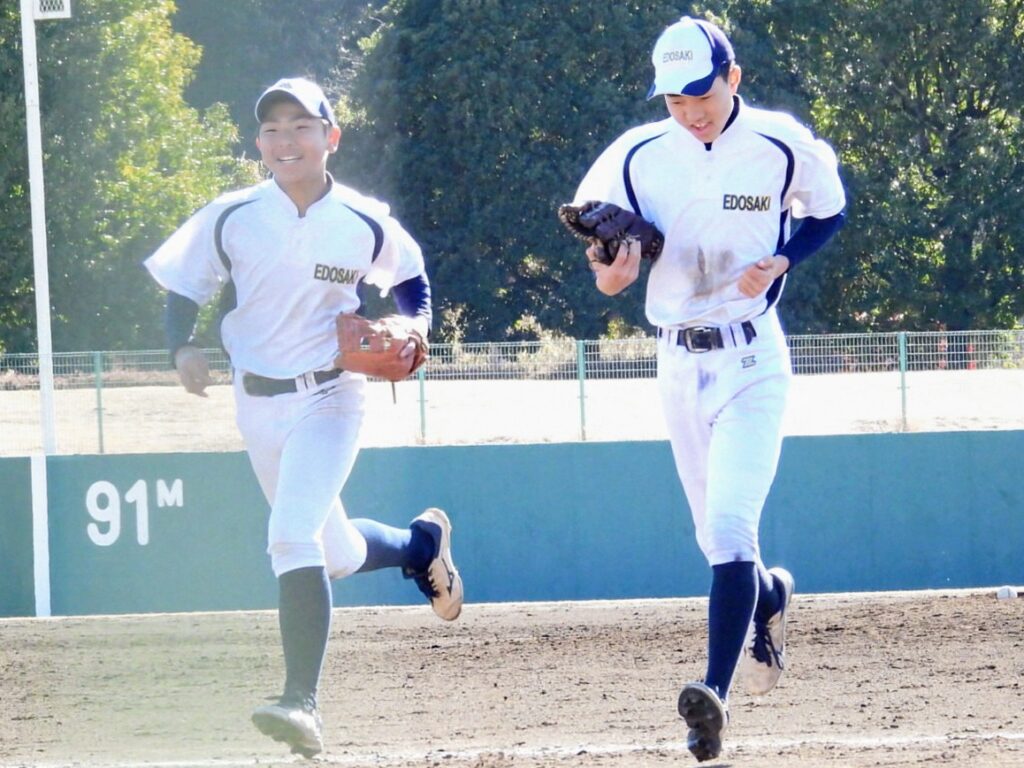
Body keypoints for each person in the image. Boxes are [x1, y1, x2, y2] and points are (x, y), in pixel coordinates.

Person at [144, 76, 463, 759]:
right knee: (336, 555)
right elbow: (183, 285)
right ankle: (419, 547)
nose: (285, 139)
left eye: (301, 126)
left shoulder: (361, 218)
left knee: (291, 538)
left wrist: (414, 326)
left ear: (330, 137)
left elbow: (411, 278)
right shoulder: (231, 215)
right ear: (259, 143)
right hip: (256, 400)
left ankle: (301, 703)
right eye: (272, 129)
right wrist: (181, 345)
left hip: (331, 394)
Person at [569, 16, 846, 763]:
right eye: (675, 99)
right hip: (676, 362)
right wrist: (612, 273)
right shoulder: (636, 154)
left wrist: (783, 259)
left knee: (728, 530)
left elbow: (829, 211)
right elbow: (605, 260)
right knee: (715, 543)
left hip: (753, 359)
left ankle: (712, 698)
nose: (690, 111)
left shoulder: (779, 143)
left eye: (702, 94)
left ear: (733, 78)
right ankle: (770, 596)